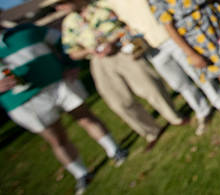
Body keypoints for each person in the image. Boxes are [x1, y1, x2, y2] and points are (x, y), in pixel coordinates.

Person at [90, 0, 220, 136]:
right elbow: (126, 21)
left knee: (198, 73)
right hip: (150, 46)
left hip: (172, 36)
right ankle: (202, 111)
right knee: (178, 83)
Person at [46, 0, 186, 151]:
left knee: (149, 86)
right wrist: (89, 50)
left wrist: (113, 40)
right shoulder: (69, 23)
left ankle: (175, 118)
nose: (58, 8)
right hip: (98, 62)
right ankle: (151, 131)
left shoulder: (104, 5)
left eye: (60, 3)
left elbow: (128, 22)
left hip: (122, 49)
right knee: (119, 101)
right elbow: (72, 51)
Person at [1, 23, 127, 195]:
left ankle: (115, 150)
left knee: (86, 117)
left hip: (59, 82)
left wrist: (70, 64)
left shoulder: (27, 30)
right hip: (22, 101)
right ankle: (82, 174)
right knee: (56, 139)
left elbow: (63, 41)